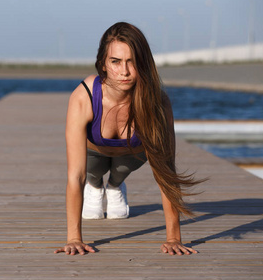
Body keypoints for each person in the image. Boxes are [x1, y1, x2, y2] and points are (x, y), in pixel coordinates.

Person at [55, 22, 203, 256]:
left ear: (143, 63)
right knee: (92, 173)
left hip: (131, 155)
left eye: (132, 61)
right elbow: (75, 175)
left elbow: (166, 171)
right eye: (116, 61)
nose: (124, 72)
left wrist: (174, 237)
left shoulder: (158, 103)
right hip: (94, 156)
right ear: (103, 63)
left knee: (120, 171)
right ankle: (96, 186)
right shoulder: (84, 96)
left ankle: (114, 185)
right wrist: (74, 238)